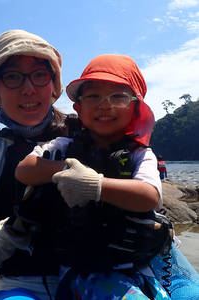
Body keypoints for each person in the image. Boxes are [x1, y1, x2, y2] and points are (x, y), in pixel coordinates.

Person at [16, 54, 172, 299]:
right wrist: (68, 172)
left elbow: (150, 196)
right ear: (78, 108)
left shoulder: (140, 154)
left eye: (118, 96)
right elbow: (24, 169)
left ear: (136, 108)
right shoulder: (62, 146)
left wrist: (94, 185)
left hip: (140, 265)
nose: (105, 104)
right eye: (93, 96)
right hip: (84, 272)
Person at [0, 29, 81, 300]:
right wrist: (17, 226)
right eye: (12, 77)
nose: (29, 88)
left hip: (102, 277)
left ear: (53, 84)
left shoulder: (89, 134)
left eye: (39, 74)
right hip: (25, 288)